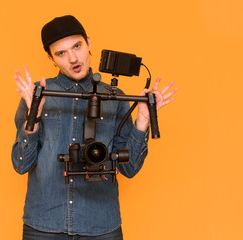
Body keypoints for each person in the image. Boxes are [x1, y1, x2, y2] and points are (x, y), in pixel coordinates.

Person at [12, 15, 177, 240]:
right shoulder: (37, 95)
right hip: (43, 226)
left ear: (88, 43)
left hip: (100, 227)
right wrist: (34, 117)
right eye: (61, 53)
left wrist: (143, 120)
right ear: (50, 57)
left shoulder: (116, 98)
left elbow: (130, 169)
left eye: (77, 46)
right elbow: (21, 165)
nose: (73, 58)